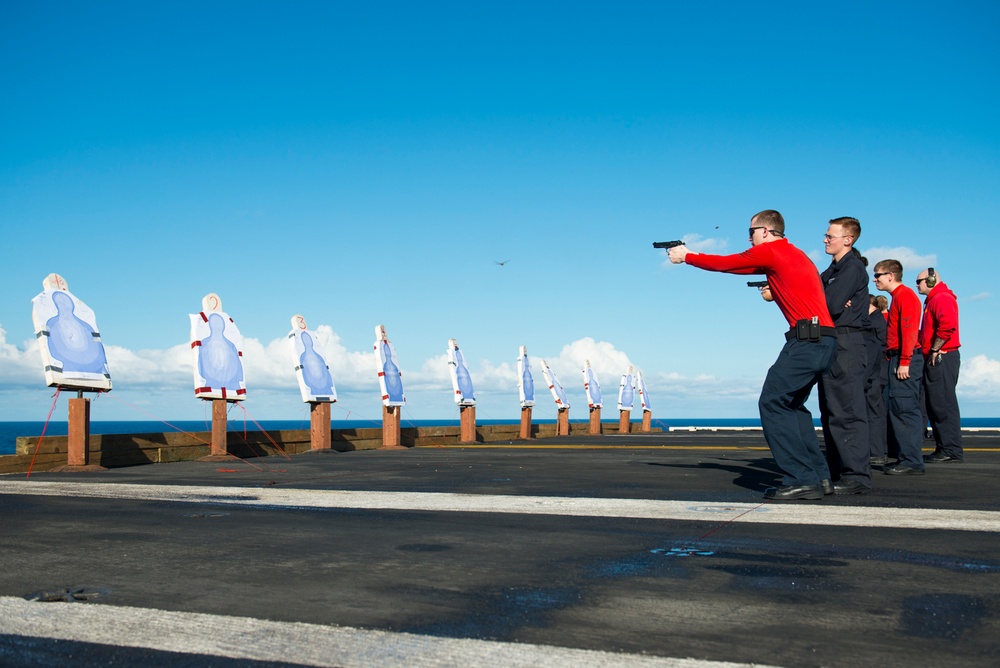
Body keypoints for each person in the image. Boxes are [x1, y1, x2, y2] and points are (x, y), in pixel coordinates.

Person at [669, 210, 836, 500]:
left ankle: (801, 478)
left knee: (772, 403)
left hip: (806, 342)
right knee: (793, 407)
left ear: (766, 231)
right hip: (824, 341)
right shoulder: (792, 254)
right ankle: (819, 478)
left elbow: (728, 263)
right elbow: (741, 269)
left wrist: (687, 256)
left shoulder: (772, 251)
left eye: (751, 232)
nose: (749, 238)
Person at [818, 218, 872, 494]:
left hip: (847, 341)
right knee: (831, 410)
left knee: (847, 410)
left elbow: (828, 303)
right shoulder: (835, 269)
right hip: (834, 340)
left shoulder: (851, 268)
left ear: (848, 239)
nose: (825, 239)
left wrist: (831, 296)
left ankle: (856, 475)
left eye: (831, 235)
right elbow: (820, 296)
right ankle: (839, 470)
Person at [873, 259, 925, 475]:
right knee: (898, 409)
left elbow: (910, 330)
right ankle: (906, 458)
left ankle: (912, 461)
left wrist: (904, 361)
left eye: (878, 275)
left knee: (905, 409)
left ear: (891, 275)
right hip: (897, 358)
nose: (875, 279)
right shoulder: (897, 298)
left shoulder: (905, 296)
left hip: (906, 358)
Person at [916, 268, 964, 463]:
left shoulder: (941, 298)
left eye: (918, 281)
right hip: (938, 356)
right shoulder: (934, 300)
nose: (917, 284)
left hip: (942, 356)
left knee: (943, 403)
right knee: (936, 403)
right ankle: (945, 447)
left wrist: (935, 349)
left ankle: (951, 449)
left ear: (930, 280)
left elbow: (947, 325)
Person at [866, 295, 890, 465]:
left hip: (877, 368)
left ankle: (877, 451)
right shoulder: (877, 320)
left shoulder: (874, 321)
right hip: (879, 367)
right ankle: (878, 449)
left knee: (874, 409)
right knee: (876, 409)